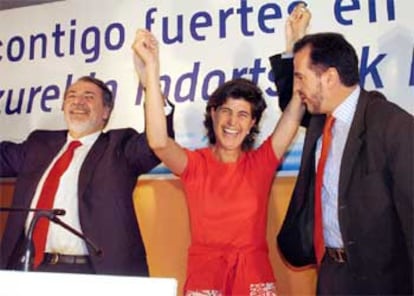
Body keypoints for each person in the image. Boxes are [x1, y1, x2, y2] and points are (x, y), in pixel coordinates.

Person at [132, 24, 305, 294]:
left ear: (253, 124)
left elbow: (295, 111)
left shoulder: (263, 162)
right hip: (205, 277)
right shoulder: (194, 164)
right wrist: (151, 71)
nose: (232, 122)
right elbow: (158, 141)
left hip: (253, 276)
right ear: (213, 114)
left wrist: (295, 47)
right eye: (226, 111)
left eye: (243, 114)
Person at [269, 5, 414, 295]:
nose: (298, 88)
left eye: (301, 77)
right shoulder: (320, 119)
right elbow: (291, 103)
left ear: (329, 77)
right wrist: (294, 42)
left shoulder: (392, 125)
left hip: (382, 283)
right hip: (332, 276)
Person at [0, 75, 174, 275]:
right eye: (71, 96)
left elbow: (157, 143)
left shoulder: (119, 145)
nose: (78, 101)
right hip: (29, 269)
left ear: (106, 112)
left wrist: (150, 83)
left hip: (91, 273)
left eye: (89, 97)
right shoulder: (39, 143)